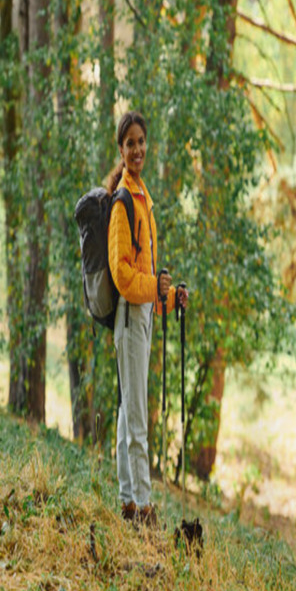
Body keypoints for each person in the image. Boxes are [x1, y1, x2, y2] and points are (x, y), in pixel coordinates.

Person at [106, 112, 189, 526]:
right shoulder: (123, 202)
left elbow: (147, 274)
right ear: (120, 150)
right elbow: (123, 276)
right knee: (136, 415)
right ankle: (142, 506)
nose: (137, 149)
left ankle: (127, 500)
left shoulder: (142, 196)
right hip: (129, 316)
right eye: (130, 143)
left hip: (142, 315)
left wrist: (171, 296)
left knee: (129, 412)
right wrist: (155, 289)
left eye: (142, 142)